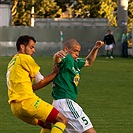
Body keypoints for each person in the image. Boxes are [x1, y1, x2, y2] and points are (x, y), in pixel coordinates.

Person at [6, 35, 68, 133]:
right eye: (31, 47)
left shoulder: (13, 62)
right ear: (22, 47)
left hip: (15, 108)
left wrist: (52, 76)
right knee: (62, 120)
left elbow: (31, 87)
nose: (33, 51)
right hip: (27, 102)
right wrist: (55, 73)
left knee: (46, 123)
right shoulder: (25, 58)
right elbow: (41, 80)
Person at [51, 38, 104, 133]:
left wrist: (95, 48)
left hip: (62, 103)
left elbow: (89, 61)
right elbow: (57, 59)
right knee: (90, 131)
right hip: (65, 102)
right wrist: (57, 55)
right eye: (75, 51)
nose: (77, 54)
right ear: (66, 49)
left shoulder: (75, 62)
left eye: (78, 51)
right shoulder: (67, 58)